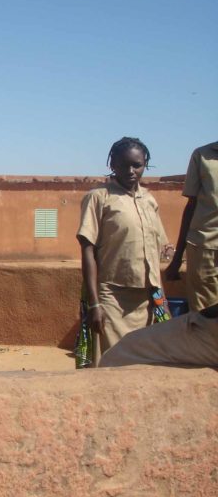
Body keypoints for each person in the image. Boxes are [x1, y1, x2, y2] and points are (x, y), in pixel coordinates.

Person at [76, 137, 170, 359]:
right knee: (110, 360)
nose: (130, 170)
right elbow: (87, 250)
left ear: (144, 164)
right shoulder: (98, 198)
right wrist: (95, 303)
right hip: (112, 297)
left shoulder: (149, 200)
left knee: (144, 360)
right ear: (112, 165)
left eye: (136, 165)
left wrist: (162, 301)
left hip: (148, 297)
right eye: (123, 165)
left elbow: (156, 255)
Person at [164, 141, 218, 311]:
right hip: (204, 249)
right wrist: (177, 258)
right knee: (204, 316)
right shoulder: (202, 155)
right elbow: (191, 206)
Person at [100, 303, 218, 368]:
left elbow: (155, 286)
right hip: (116, 305)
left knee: (117, 355)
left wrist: (161, 307)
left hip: (205, 329)